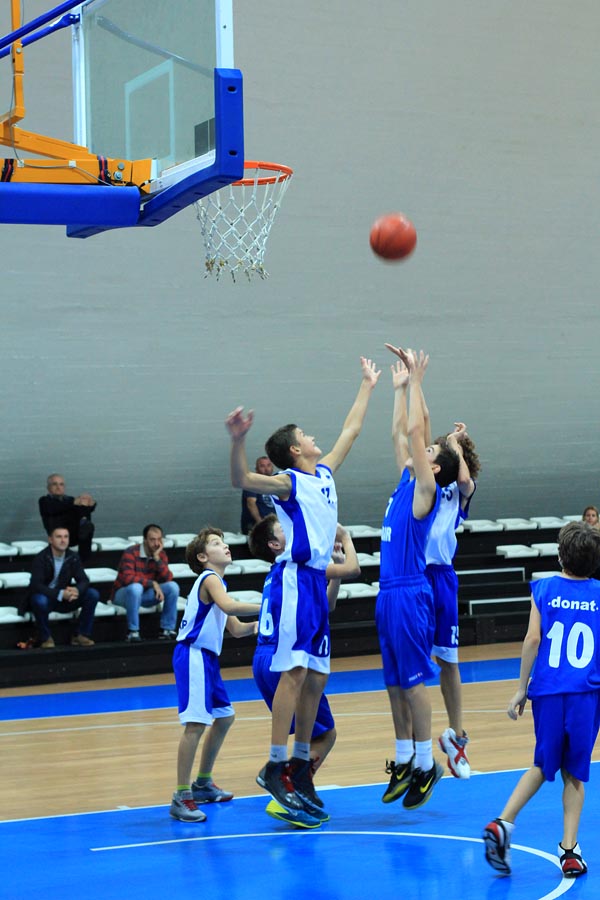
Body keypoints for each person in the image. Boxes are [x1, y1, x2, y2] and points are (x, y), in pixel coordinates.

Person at [225, 355, 380, 818]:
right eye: (306, 435)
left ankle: (299, 766)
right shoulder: (288, 483)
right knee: (293, 673)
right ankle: (275, 765)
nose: (315, 438)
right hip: (296, 580)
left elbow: (351, 430)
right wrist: (238, 440)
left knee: (316, 677)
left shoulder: (325, 472)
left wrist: (368, 384)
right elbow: (241, 479)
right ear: (295, 450)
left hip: (316, 582)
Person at [483, 521, 600, 879]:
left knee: (542, 764)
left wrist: (522, 688)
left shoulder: (544, 589)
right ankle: (569, 851)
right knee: (575, 773)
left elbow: (532, 640)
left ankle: (503, 823)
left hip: (547, 692)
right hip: (584, 694)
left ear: (561, 555)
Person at [377, 345, 459, 811]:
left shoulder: (427, 490)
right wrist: (399, 389)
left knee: (412, 682)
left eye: (427, 452)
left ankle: (427, 763)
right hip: (388, 595)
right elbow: (400, 431)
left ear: (435, 468)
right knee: (393, 683)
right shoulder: (405, 484)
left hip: (410, 592)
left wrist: (417, 382)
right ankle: (405, 757)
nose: (417, 448)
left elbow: (414, 429)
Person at [248, 515, 360, 826]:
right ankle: (285, 789)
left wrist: (335, 571)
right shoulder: (298, 565)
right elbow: (354, 568)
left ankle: (293, 784)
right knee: (327, 734)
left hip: (264, 657)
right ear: (275, 544)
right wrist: (345, 537)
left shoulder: (283, 572)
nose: (292, 527)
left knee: (320, 733)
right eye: (283, 528)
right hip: (282, 658)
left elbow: (328, 605)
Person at [170, 527, 259, 823]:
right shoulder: (209, 579)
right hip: (193, 655)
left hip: (207, 658)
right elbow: (230, 606)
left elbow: (237, 628)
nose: (225, 546)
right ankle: (181, 795)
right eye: (217, 543)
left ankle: (203, 784)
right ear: (202, 557)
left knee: (225, 717)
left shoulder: (218, 584)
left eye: (224, 542)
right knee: (195, 725)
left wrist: (259, 624)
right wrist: (270, 605)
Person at [425, 423, 481, 779]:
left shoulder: (460, 492)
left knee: (449, 660)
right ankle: (414, 750)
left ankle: (456, 738)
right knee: (414, 662)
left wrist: (454, 445)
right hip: (412, 576)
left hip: (441, 577)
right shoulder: (421, 483)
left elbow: (463, 481)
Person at [28, 526, 100, 648]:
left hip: (66, 599)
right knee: (39, 600)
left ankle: (80, 634)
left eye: (66, 537)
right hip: (48, 598)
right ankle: (45, 638)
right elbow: (36, 585)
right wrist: (60, 594)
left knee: (92, 594)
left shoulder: (73, 557)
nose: (63, 540)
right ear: (50, 540)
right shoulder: (41, 558)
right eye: (59, 537)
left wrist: (77, 590)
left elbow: (84, 580)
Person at [111, 524, 180, 642]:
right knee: (136, 588)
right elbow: (127, 578)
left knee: (173, 587)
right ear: (144, 540)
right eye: (152, 540)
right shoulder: (131, 552)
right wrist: (152, 583)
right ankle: (132, 632)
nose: (156, 543)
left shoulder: (161, 554)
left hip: (145, 594)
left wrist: (157, 558)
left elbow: (168, 578)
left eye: (159, 539)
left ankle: (166, 629)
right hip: (124, 595)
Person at [38, 474, 96, 562]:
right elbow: (55, 508)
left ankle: (84, 560)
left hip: (74, 534)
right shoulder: (44, 500)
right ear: (48, 487)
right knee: (76, 512)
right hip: (58, 535)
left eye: (61, 484)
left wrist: (89, 502)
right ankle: (82, 559)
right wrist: (75, 503)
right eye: (55, 484)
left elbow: (83, 507)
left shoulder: (70, 499)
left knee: (86, 522)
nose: (58, 487)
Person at [240, 456, 276, 534]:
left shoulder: (275, 483)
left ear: (272, 467)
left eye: (268, 465)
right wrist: (260, 523)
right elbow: (251, 503)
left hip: (273, 525)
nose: (266, 469)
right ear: (256, 469)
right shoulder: (251, 482)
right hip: (255, 526)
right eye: (262, 466)